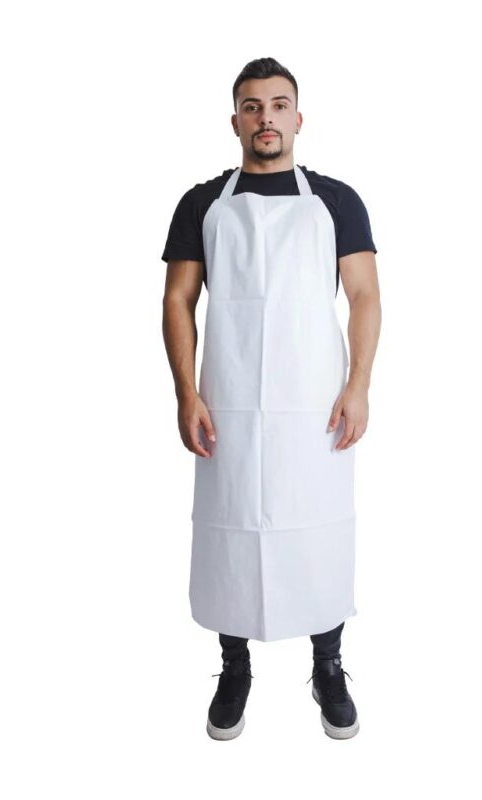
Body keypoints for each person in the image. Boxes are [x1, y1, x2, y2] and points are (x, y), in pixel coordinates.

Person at [161, 57, 381, 740]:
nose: (266, 118)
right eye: (253, 107)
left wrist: (358, 386)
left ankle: (328, 664)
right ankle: (234, 668)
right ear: (235, 121)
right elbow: (178, 299)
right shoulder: (202, 203)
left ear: (298, 118)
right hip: (227, 402)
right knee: (232, 523)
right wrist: (187, 392)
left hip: (314, 405)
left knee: (317, 525)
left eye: (279, 105)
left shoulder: (336, 200)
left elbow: (365, 296)